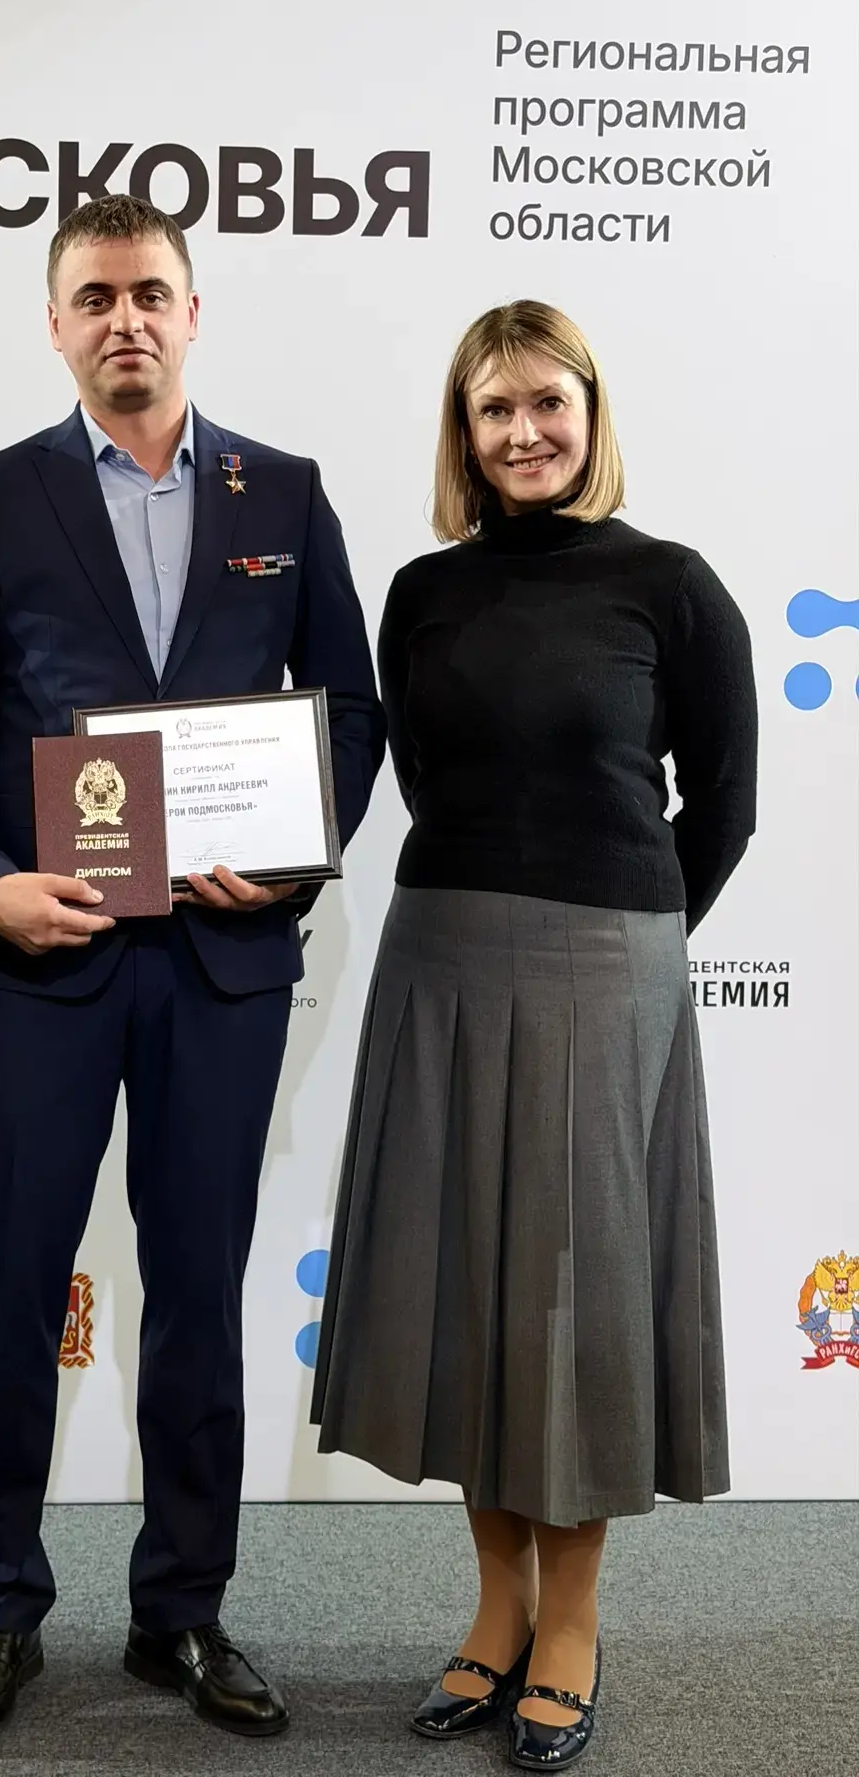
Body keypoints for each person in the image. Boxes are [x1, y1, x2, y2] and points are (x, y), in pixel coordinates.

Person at [0, 195, 384, 1744]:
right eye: (96, 295)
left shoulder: (284, 492)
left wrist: (295, 857)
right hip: (41, 964)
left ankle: (183, 1609)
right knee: (13, 1295)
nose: (126, 319)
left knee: (197, 1295)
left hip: (224, 967)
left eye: (150, 292)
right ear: (56, 323)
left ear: (192, 311)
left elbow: (349, 709)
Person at [312, 300, 758, 1770]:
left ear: (590, 411)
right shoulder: (421, 592)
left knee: (574, 1300)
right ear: (464, 430)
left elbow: (726, 806)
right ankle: (495, 1607)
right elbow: (414, 774)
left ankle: (571, 1619)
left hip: (603, 965)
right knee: (467, 1285)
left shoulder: (673, 586)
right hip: (440, 951)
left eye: (546, 403)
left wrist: (627, 938)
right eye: (494, 409)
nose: (523, 433)